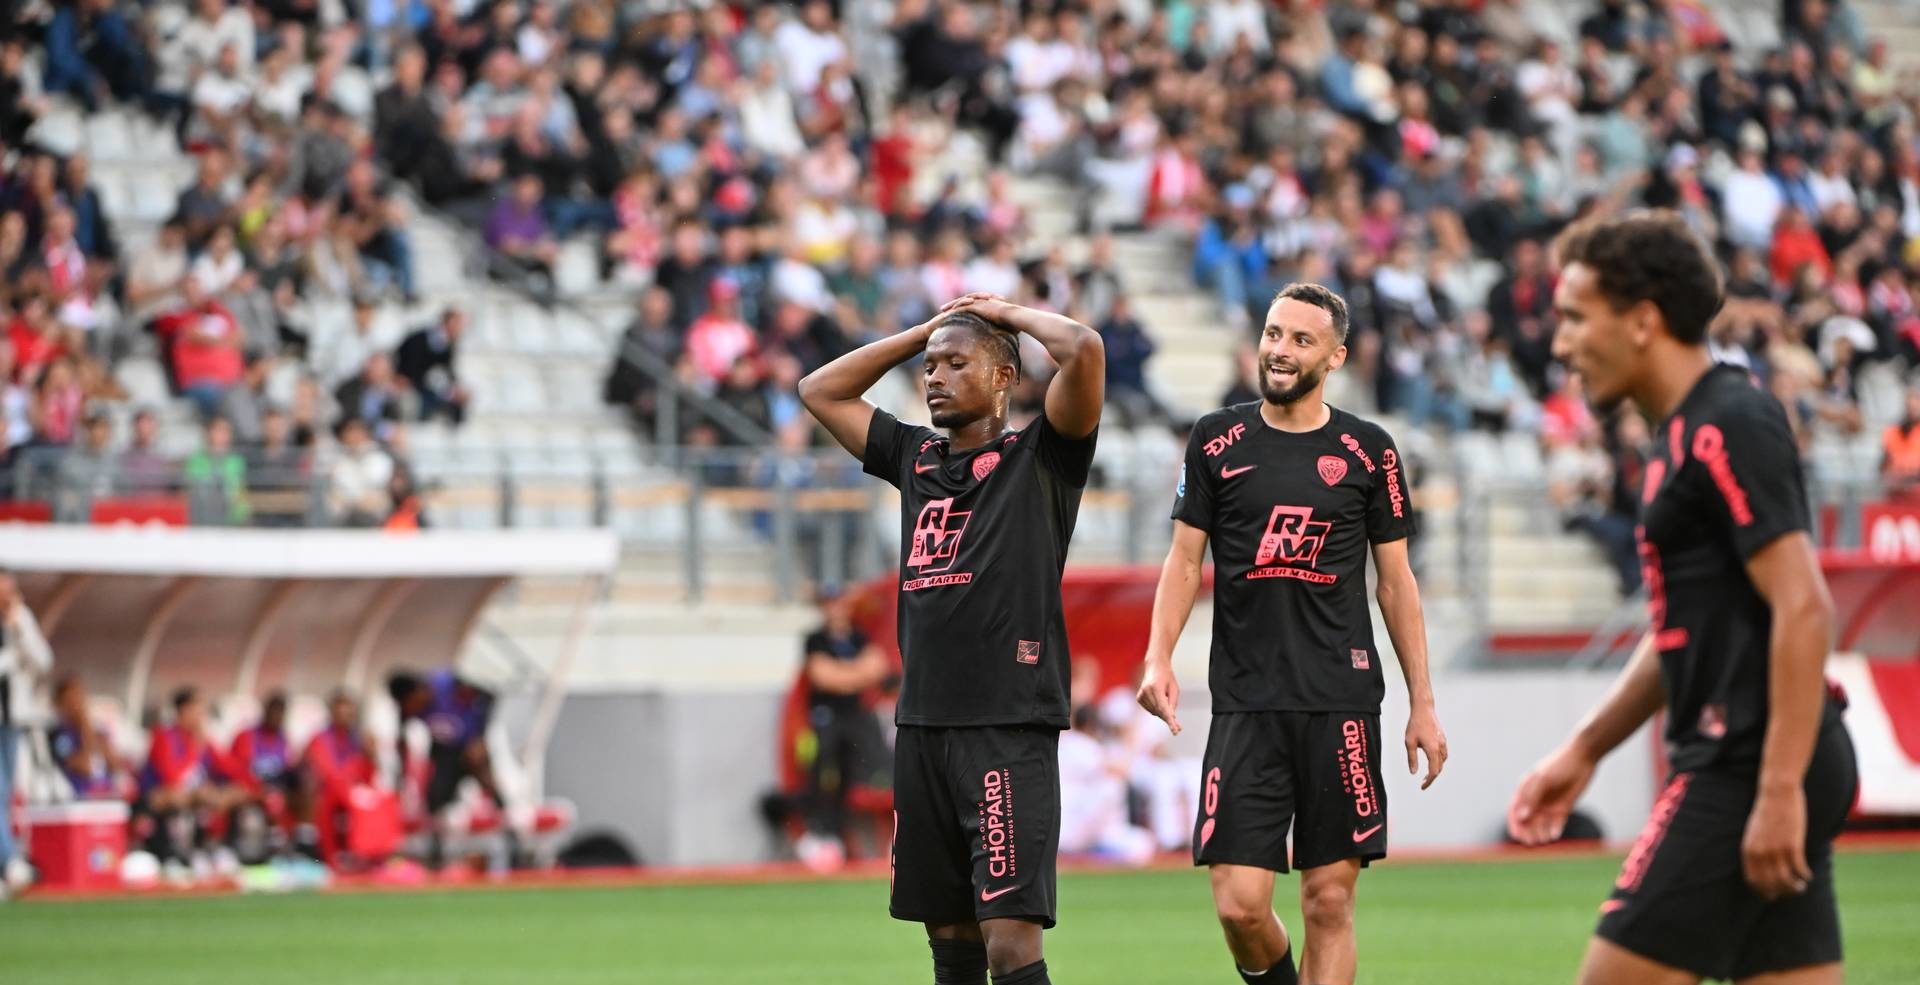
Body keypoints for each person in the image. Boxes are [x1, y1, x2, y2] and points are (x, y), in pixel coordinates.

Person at [1508, 211, 1858, 985]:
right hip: (1768, 757)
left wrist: (1773, 791)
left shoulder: (1728, 421)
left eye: (1574, 317)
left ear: (1642, 321)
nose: (1560, 343)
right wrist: (1586, 747)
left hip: (1747, 758)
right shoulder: (1680, 437)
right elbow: (1681, 633)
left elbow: (1806, 607)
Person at [1134, 282, 1449, 985]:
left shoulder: (1371, 451)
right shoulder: (1216, 439)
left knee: (1329, 901)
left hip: (1340, 701)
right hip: (1246, 703)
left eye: (1300, 340)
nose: (1280, 350)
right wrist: (1157, 655)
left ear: (1335, 356)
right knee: (1241, 906)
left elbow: (1395, 583)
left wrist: (1422, 701)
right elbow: (1185, 559)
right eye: (1274, 333)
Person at [797, 291, 1105, 985]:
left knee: (1009, 945)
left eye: (955, 363)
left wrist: (1008, 315)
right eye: (929, 367)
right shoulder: (914, 456)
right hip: (924, 727)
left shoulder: (1042, 456)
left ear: (1003, 378)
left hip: (1007, 724)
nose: (933, 376)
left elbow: (1084, 350)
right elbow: (818, 389)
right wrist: (923, 333)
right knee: (952, 944)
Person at [793, 586, 893, 871]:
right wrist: (858, 674)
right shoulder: (816, 639)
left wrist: (846, 674)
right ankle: (822, 835)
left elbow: (878, 667)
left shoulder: (858, 637)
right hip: (827, 716)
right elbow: (825, 677)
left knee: (872, 769)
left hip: (854, 716)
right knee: (824, 769)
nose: (836, 609)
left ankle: (863, 838)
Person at [387, 669, 502, 862]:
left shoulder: (447, 684)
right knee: (434, 797)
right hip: (444, 752)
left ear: (417, 692)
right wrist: (400, 779)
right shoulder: (408, 708)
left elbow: (489, 696)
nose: (413, 710)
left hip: (470, 747)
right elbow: (402, 743)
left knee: (493, 790)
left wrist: (480, 737)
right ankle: (438, 853)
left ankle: (512, 845)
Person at [0, 570, 53, 895]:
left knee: (7, 793)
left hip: (13, 718)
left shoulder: (20, 619)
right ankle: (9, 862)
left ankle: (8, 863)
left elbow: (43, 660)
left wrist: (18, 627)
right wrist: (10, 657)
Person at [303, 689, 378, 866]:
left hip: (354, 794)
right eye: (340, 707)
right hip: (330, 793)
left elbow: (369, 777)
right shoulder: (320, 739)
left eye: (348, 707)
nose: (345, 712)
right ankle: (333, 860)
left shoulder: (360, 739)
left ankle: (373, 855)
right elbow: (326, 773)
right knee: (329, 798)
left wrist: (370, 757)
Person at [48, 677, 125, 801]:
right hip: (80, 798)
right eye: (71, 700)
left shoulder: (98, 731)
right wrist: (85, 726)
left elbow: (116, 766)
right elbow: (86, 766)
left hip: (106, 795)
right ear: (60, 703)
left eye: (79, 697)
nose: (77, 704)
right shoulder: (59, 734)